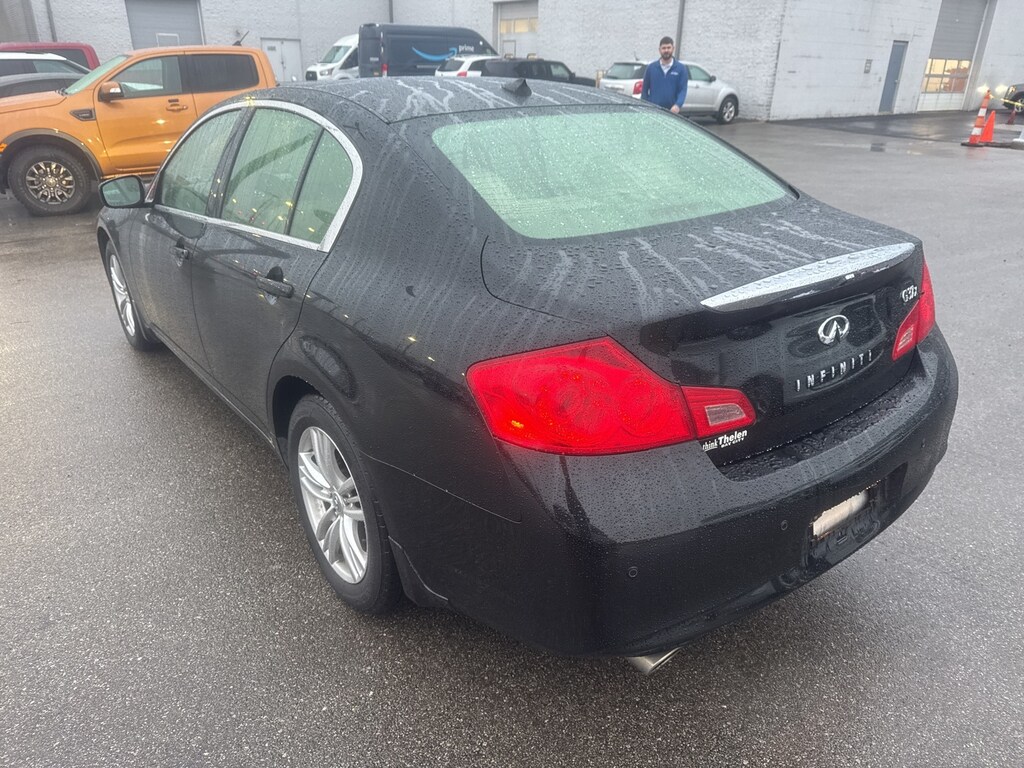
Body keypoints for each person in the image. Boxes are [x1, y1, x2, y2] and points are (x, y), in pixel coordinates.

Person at [641, 36, 689, 113]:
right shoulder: (651, 68)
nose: (666, 50)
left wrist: (677, 105)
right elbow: (644, 90)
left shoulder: (681, 69)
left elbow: (683, 90)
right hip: (654, 112)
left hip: (672, 113)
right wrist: (646, 106)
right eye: (663, 48)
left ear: (673, 48)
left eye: (668, 47)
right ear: (659, 50)